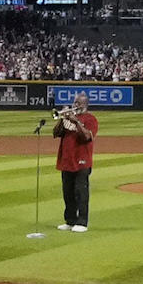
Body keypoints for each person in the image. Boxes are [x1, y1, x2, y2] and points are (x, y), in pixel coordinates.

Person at [47, 92, 101, 228]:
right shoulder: (68, 118)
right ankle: (70, 221)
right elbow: (56, 133)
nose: (75, 105)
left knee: (80, 192)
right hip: (66, 160)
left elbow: (87, 137)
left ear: (85, 105)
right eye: (74, 102)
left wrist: (76, 121)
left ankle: (82, 222)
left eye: (78, 103)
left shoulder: (90, 119)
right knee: (68, 193)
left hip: (82, 160)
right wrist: (62, 119)